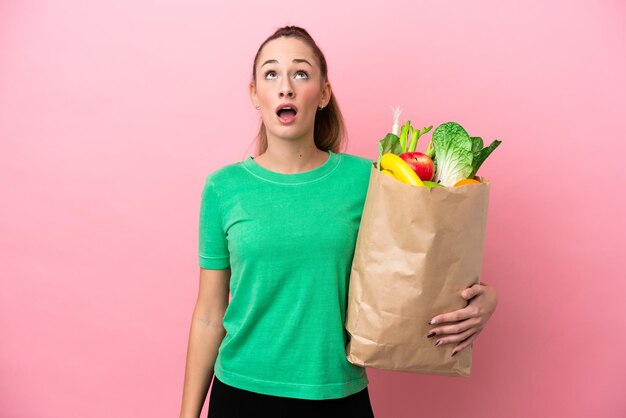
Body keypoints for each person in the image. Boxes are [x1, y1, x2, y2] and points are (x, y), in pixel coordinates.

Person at [179, 26, 498, 418]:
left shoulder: (370, 180)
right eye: (271, 73)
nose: (286, 87)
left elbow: (419, 265)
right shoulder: (223, 188)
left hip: (337, 395)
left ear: (324, 93)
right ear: (254, 95)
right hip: (241, 394)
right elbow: (209, 315)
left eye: (300, 73)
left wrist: (486, 299)